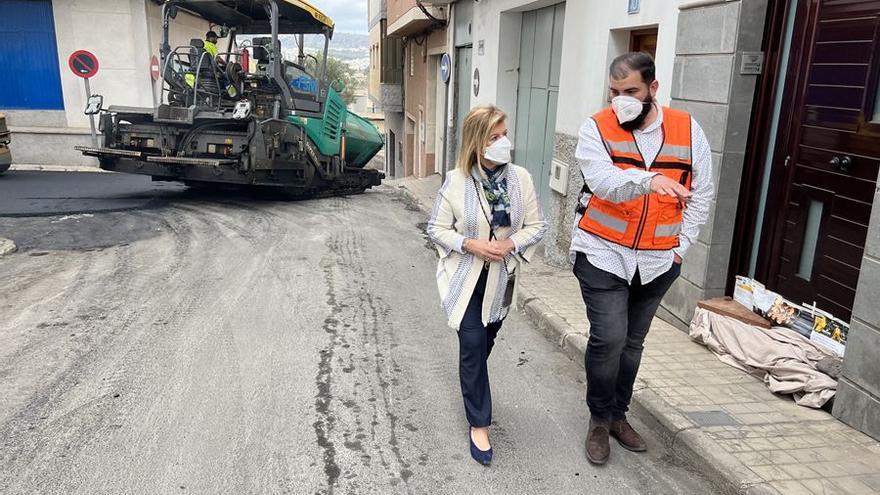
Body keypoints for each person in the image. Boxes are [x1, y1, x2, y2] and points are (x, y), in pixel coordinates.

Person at [570, 52, 714, 465]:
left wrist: (678, 248)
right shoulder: (595, 127)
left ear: (653, 89)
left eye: (630, 91)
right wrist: (650, 180)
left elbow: (701, 195)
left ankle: (618, 415)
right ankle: (598, 419)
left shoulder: (689, 131)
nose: (621, 101)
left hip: (657, 260)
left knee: (633, 342)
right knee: (610, 337)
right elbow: (603, 182)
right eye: (614, 92)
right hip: (602, 251)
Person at [427, 105, 547, 466]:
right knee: (473, 342)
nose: (503, 142)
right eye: (494, 137)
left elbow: (537, 226)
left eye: (504, 134)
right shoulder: (456, 181)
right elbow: (436, 228)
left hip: (500, 282)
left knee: (482, 345)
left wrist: (510, 244)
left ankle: (471, 374)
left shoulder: (520, 179)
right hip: (464, 278)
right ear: (477, 143)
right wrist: (471, 244)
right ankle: (479, 423)